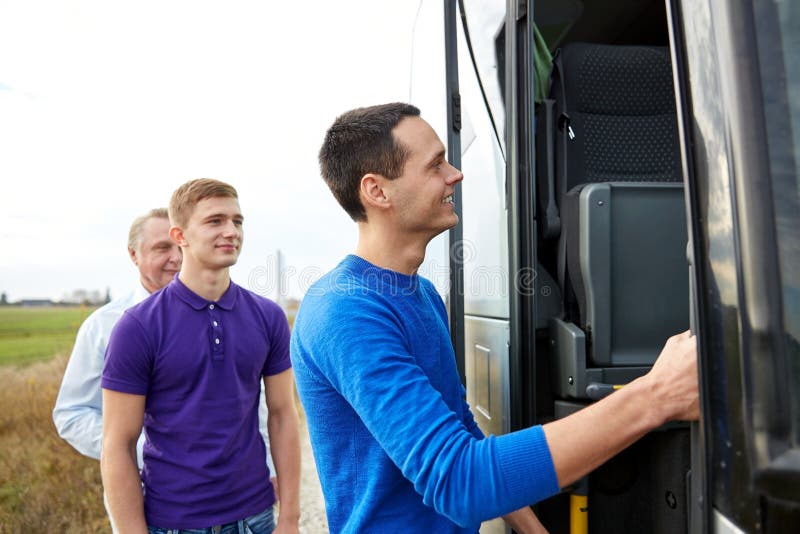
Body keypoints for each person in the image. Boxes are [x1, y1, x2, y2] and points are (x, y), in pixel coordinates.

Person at [290, 103, 699, 533]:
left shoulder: (423, 294)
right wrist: (657, 395)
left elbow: (461, 427)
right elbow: (458, 479)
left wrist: (532, 529)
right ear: (377, 191)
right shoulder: (344, 311)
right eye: (435, 165)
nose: (455, 174)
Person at [53, 207, 281, 532]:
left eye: (179, 246)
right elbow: (71, 413)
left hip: (241, 502)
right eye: (162, 249)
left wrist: (267, 466)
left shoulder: (228, 313)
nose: (176, 258)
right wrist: (152, 449)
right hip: (146, 502)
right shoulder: (104, 326)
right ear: (133, 255)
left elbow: (251, 403)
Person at [101, 179, 300, 534]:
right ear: (180, 235)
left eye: (237, 221)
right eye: (215, 221)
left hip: (256, 518)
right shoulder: (137, 327)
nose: (231, 231)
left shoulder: (268, 317)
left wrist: (289, 518)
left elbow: (284, 416)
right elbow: (118, 443)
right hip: (174, 523)